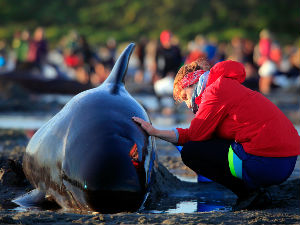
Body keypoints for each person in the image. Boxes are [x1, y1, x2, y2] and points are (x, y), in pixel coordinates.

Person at [132, 59, 300, 210]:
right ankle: (254, 189)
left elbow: (195, 136)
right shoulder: (223, 85)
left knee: (191, 153)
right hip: (285, 161)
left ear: (192, 83)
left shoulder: (214, 91)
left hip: (268, 163)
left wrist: (155, 132)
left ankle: (249, 194)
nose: (187, 104)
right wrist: (156, 132)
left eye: (185, 96)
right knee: (207, 141)